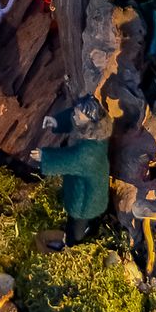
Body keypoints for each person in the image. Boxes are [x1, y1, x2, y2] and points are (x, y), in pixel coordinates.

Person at [29, 94, 112, 248]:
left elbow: (70, 160)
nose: (74, 117)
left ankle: (74, 244)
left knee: (78, 226)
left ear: (90, 121)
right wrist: (56, 121)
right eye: (75, 113)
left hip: (86, 198)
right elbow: (73, 120)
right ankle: (81, 233)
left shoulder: (88, 153)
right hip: (83, 183)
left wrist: (44, 156)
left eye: (78, 116)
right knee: (78, 219)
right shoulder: (93, 128)